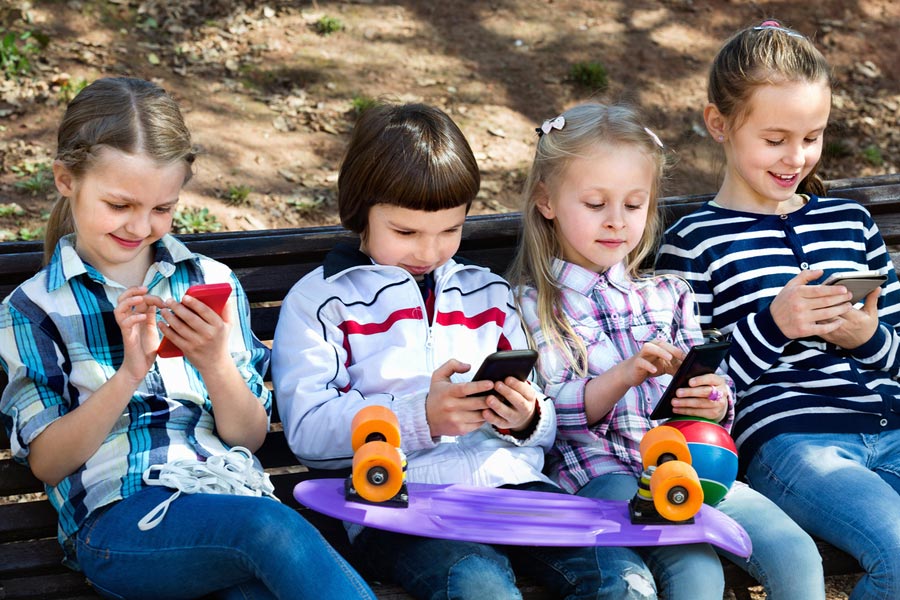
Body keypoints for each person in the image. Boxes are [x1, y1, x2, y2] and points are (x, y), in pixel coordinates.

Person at [0, 77, 375, 600]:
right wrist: (129, 374)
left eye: (162, 208)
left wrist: (216, 362)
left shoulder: (206, 282)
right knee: (270, 528)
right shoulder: (35, 309)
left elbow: (247, 437)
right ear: (66, 179)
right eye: (119, 205)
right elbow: (48, 461)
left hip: (225, 499)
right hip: (121, 523)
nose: (140, 225)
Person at [272, 102, 658, 600]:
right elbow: (307, 432)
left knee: (624, 580)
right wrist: (420, 417)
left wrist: (523, 418)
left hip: (513, 487)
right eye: (406, 233)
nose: (430, 252)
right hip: (396, 500)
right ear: (359, 212)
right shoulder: (322, 299)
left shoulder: (487, 292)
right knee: (478, 586)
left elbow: (541, 425)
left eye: (450, 231)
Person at [508, 102, 825, 599]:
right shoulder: (532, 305)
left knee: (795, 552)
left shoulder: (669, 293)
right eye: (596, 205)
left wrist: (713, 400)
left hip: (689, 465)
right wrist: (623, 376)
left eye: (634, 206)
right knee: (696, 570)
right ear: (546, 200)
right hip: (603, 474)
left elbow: (713, 406)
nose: (616, 222)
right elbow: (548, 421)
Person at [656, 19, 900, 600]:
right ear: (719, 124)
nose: (797, 157)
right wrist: (774, 325)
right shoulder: (694, 241)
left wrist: (865, 336)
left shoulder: (852, 223)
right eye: (775, 139)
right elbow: (691, 393)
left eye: (812, 136)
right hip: (793, 443)